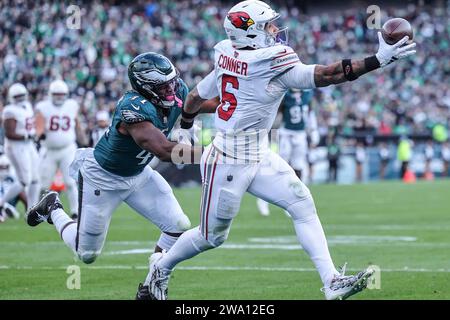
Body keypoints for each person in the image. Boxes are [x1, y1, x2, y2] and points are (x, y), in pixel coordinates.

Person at [147, 0, 416, 300]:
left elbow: (198, 94)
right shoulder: (271, 58)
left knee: (301, 203)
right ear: (248, 33)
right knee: (211, 237)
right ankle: (161, 267)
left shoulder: (225, 52)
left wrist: (185, 123)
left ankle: (331, 281)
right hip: (228, 159)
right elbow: (327, 75)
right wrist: (377, 59)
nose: (274, 29)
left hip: (258, 153)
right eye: (266, 25)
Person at [25, 52, 214, 299]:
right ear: (145, 87)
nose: (172, 88)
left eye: (172, 81)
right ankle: (53, 208)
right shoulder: (132, 108)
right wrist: (213, 153)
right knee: (86, 254)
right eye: (163, 85)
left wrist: (238, 100)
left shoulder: (175, 90)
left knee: (177, 226)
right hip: (103, 178)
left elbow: (199, 102)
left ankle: (150, 286)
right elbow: (164, 151)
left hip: (138, 174)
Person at [256, 88, 319, 216]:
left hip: (300, 134)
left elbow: (310, 114)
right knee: (279, 167)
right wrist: (270, 133)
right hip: (286, 133)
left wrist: (313, 131)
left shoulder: (307, 95)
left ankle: (295, 200)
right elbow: (276, 114)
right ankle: (263, 198)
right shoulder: (285, 95)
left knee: (299, 166)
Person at [35, 80, 86, 219]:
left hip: (67, 149)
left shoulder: (71, 105)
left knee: (71, 182)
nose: (59, 97)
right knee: (44, 183)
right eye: (56, 94)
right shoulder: (43, 107)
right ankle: (40, 211)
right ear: (51, 94)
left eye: (61, 94)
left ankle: (75, 212)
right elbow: (39, 125)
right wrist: (39, 134)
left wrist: (83, 139)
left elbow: (77, 123)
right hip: (49, 150)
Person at [0, 83, 40, 213]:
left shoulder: (27, 106)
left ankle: (32, 211)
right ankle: (1, 202)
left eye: (22, 96)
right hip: (15, 146)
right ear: (12, 97)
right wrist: (28, 136)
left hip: (27, 144)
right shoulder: (9, 110)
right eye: (17, 96)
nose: (20, 98)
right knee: (24, 180)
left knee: (35, 179)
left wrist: (31, 136)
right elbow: (9, 133)